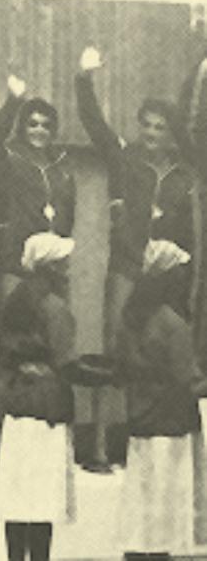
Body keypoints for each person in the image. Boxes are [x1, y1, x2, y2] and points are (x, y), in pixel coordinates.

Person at [76, 46, 202, 474]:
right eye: (145, 125)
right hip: (128, 267)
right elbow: (94, 124)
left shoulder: (186, 173)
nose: (151, 133)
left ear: (171, 133)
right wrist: (83, 79)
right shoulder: (125, 159)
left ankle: (149, 443)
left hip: (167, 276)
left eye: (159, 127)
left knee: (160, 353)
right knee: (115, 349)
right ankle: (97, 447)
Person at [0, 74, 75, 472]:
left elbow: (67, 216)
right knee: (9, 355)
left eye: (46, 125)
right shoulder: (7, 159)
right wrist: (12, 101)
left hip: (51, 271)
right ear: (22, 126)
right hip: (15, 269)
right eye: (32, 123)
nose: (39, 130)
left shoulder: (61, 166)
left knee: (52, 355)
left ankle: (43, 448)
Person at [117, 239, 207, 560]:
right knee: (166, 514)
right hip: (172, 426)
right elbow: (188, 381)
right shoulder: (173, 324)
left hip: (141, 421)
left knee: (140, 509)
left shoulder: (130, 320)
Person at [0, 233, 79, 561]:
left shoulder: (15, 301)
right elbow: (65, 361)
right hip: (46, 405)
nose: (68, 270)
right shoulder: (54, 308)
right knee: (42, 501)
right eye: (63, 264)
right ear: (51, 267)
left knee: (16, 500)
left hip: (16, 403)